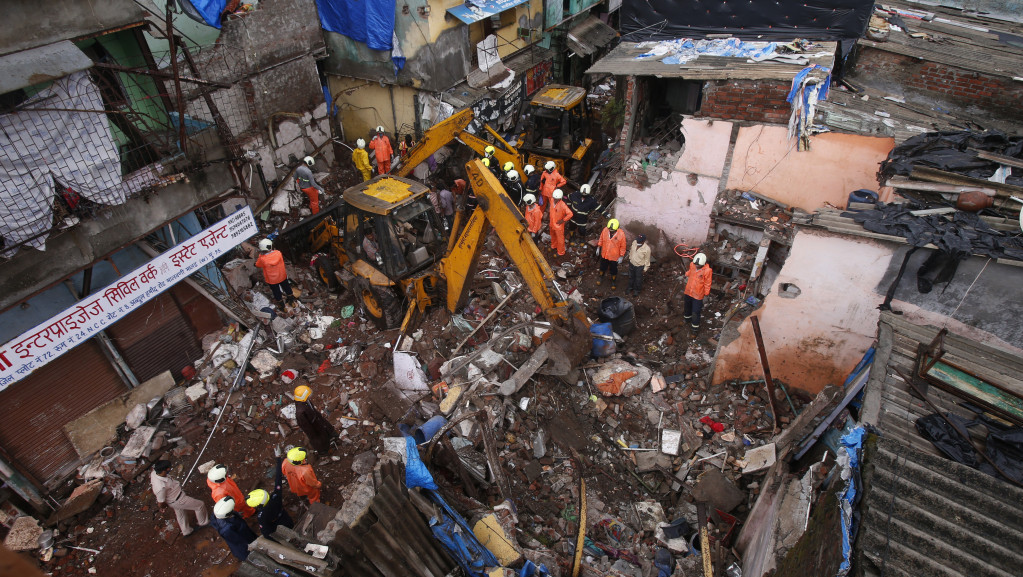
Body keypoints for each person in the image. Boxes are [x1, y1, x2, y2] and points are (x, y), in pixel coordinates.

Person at [150, 459, 209, 537]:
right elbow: (161, 502)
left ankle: (186, 531)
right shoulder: (161, 487)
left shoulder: (154, 473)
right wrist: (163, 507)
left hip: (174, 499)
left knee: (180, 514)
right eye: (168, 469)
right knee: (200, 505)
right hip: (178, 500)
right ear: (164, 470)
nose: (169, 469)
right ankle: (203, 522)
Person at [246, 457, 294, 540]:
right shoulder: (275, 497)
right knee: (292, 528)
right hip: (285, 518)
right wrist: (279, 460)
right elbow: (278, 480)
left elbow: (266, 533)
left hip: (278, 527)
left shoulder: (262, 516)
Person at [294, 385, 338, 456]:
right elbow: (308, 429)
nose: (310, 396)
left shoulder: (305, 401)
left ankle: (331, 436)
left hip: (317, 419)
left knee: (326, 428)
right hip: (314, 426)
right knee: (319, 440)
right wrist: (314, 435)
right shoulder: (300, 413)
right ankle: (323, 452)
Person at [211, 497, 257, 561]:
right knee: (249, 555)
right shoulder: (227, 529)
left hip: (244, 532)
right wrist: (250, 546)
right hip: (243, 545)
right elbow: (239, 541)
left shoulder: (218, 513)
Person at [255, 239, 295, 308]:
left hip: (272, 280)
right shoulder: (278, 253)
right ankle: (292, 302)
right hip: (282, 276)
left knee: (276, 292)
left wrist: (260, 256)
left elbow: (258, 265)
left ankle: (282, 306)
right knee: (287, 288)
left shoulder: (262, 259)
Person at [683, 252, 713, 331]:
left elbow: (707, 283)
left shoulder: (707, 271)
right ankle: (687, 319)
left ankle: (694, 327)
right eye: (695, 264)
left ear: (703, 264)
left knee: (695, 311)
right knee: (687, 306)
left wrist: (706, 293)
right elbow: (690, 272)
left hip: (698, 295)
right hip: (689, 291)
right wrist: (686, 274)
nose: (696, 266)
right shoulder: (692, 264)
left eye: (698, 265)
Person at [596, 219, 627, 289]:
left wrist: (621, 256)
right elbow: (601, 238)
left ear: (617, 228)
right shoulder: (605, 230)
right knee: (602, 267)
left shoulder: (621, 234)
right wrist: (598, 247)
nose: (610, 231)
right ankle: (601, 277)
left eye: (612, 231)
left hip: (614, 256)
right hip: (604, 254)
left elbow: (623, 246)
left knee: (613, 269)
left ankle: (613, 281)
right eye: (609, 229)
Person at [549, 189, 573, 257]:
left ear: (560, 198)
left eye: (557, 199)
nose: (555, 199)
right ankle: (553, 245)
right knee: (552, 235)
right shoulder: (551, 200)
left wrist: (563, 220)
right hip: (552, 223)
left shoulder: (562, 205)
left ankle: (561, 252)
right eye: (554, 198)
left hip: (558, 225)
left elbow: (570, 214)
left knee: (560, 239)